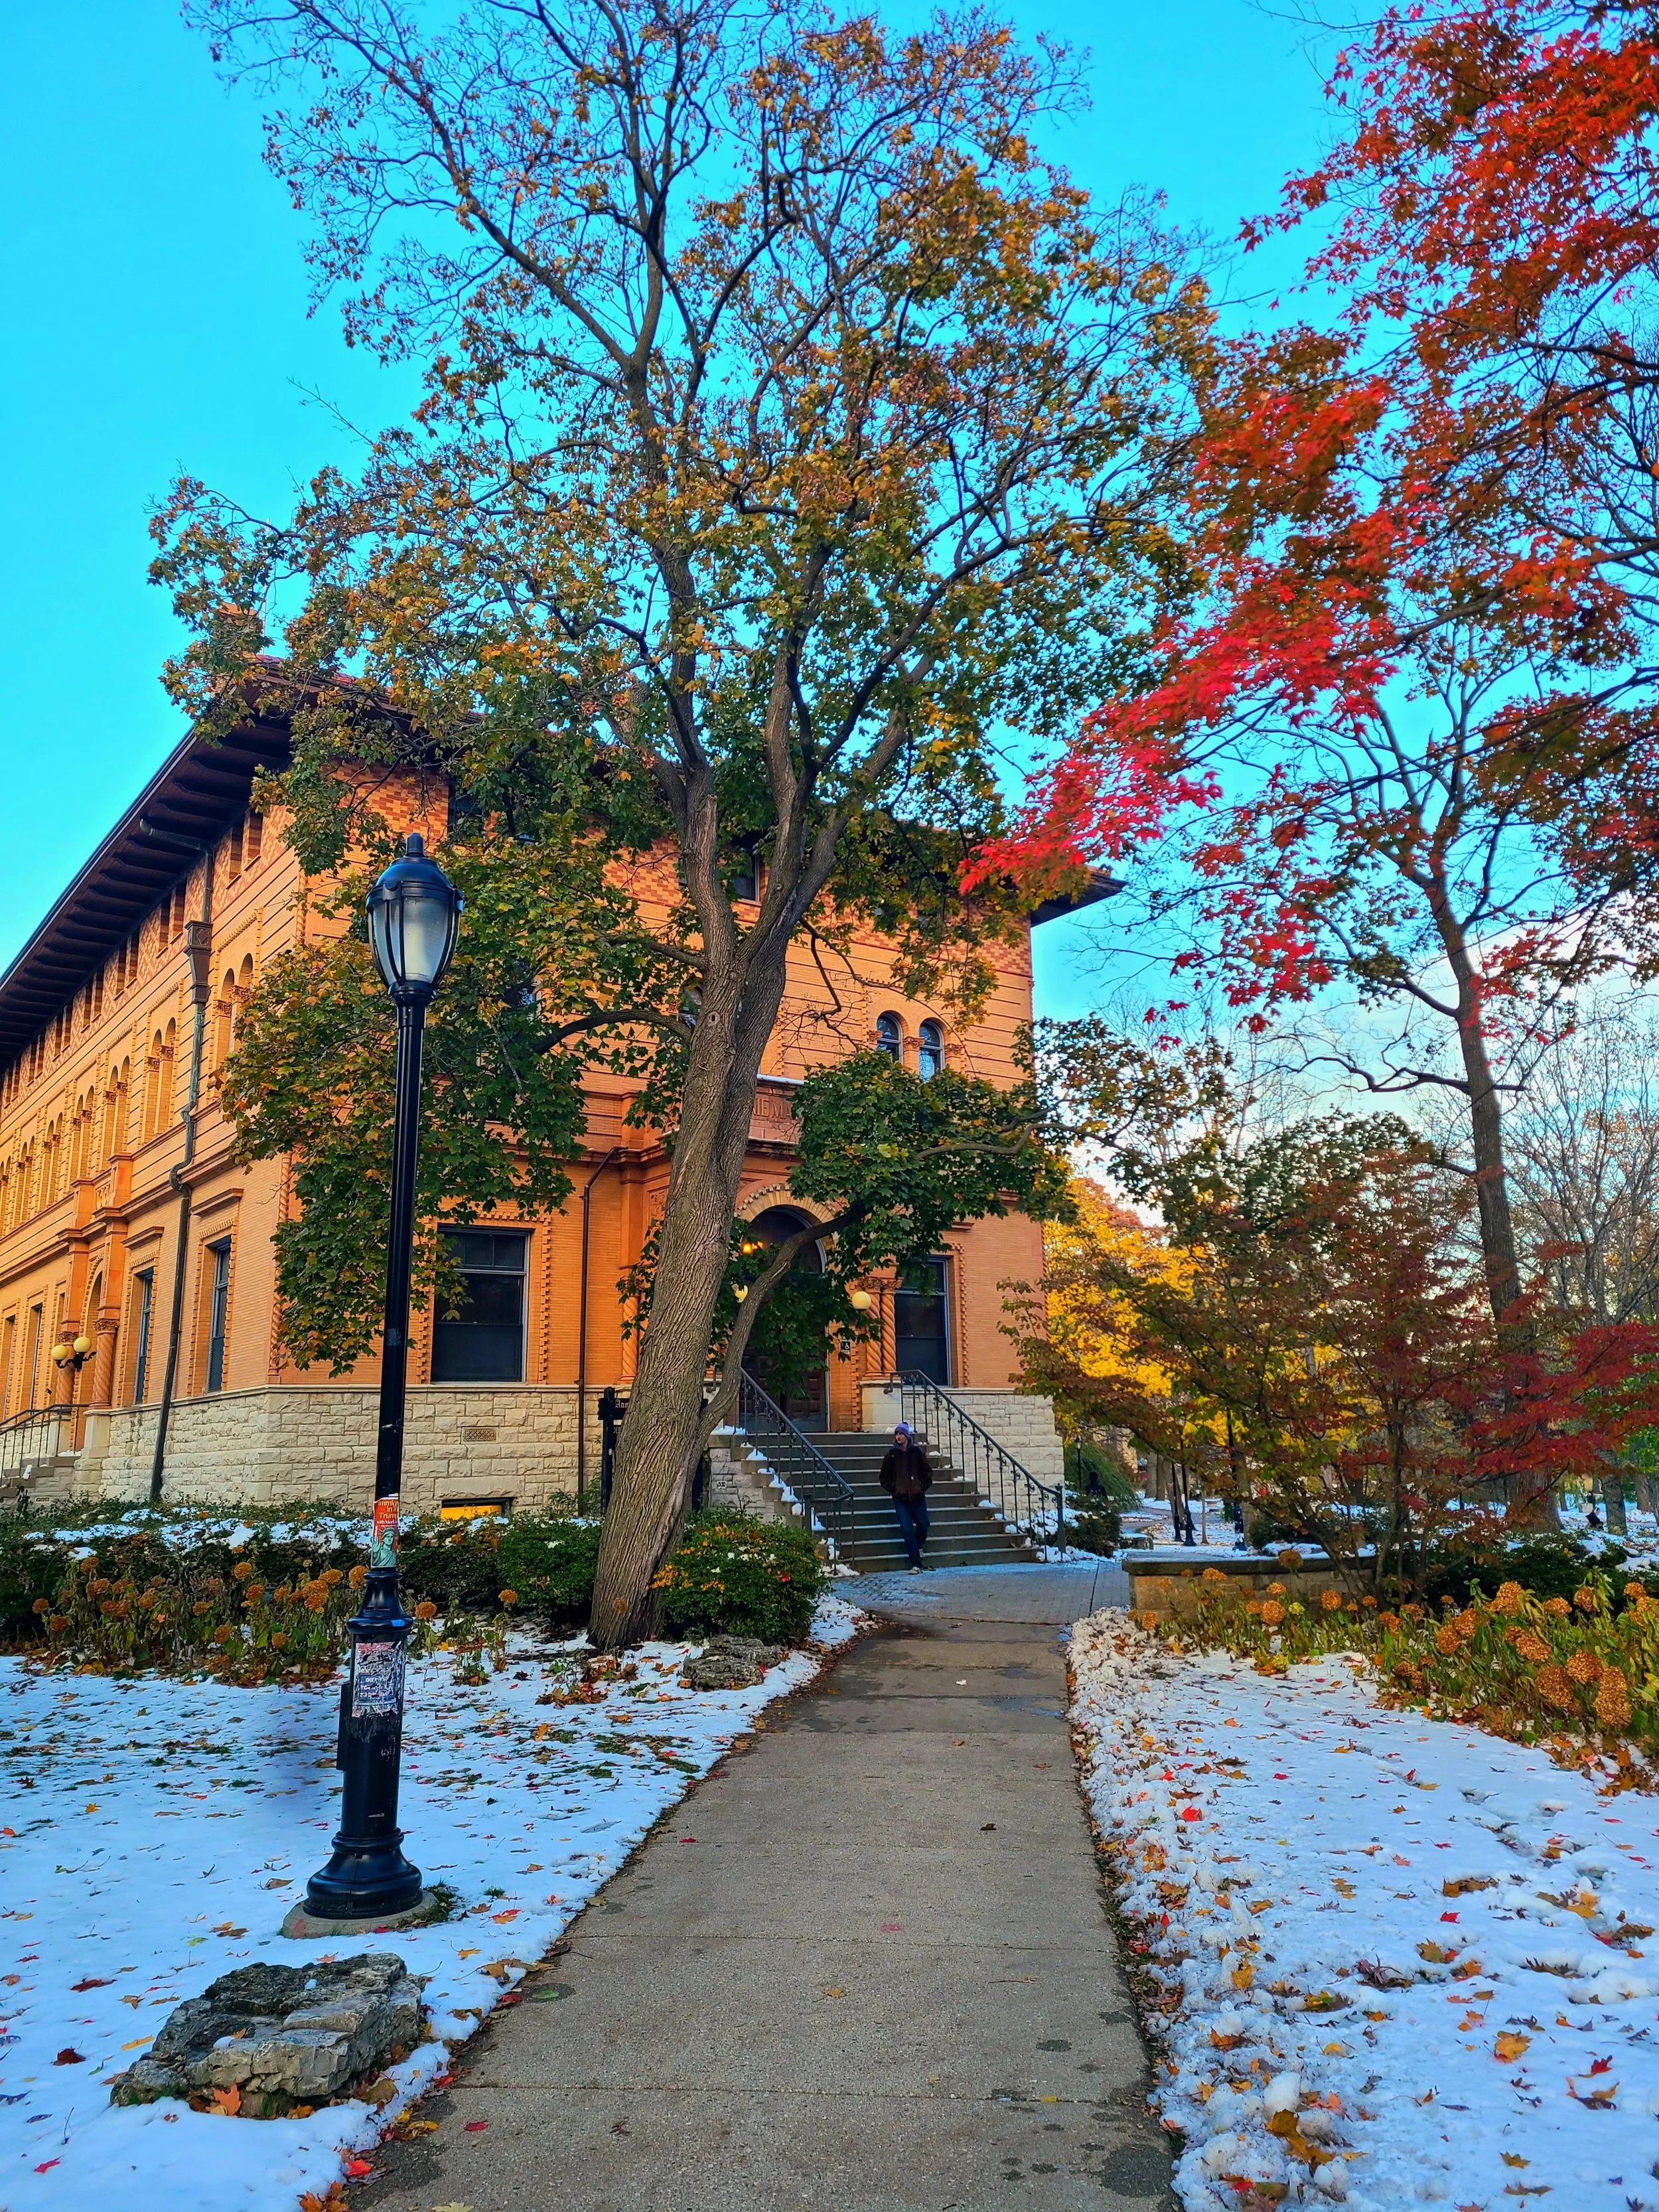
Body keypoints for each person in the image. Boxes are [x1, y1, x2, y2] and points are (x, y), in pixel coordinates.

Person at [880, 1422, 934, 1570]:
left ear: (907, 1436)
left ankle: (917, 1548)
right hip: (901, 1500)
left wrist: (921, 1487)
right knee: (907, 1529)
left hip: (917, 1498)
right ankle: (916, 1563)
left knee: (924, 1526)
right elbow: (884, 1478)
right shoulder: (891, 1456)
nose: (898, 1436)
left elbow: (927, 1472)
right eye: (897, 1434)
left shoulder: (917, 1453)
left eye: (901, 1434)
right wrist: (895, 1489)